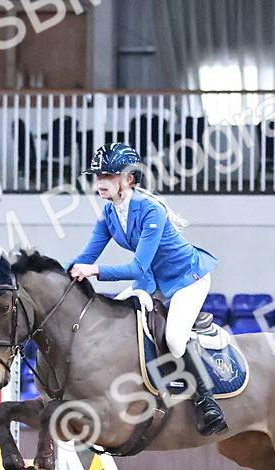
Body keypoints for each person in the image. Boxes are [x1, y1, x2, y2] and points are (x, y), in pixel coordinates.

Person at [67, 143, 226, 436]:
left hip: (186, 280)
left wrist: (95, 272)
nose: (99, 182)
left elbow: (137, 267)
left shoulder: (151, 210)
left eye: (108, 176)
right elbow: (85, 258)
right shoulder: (109, 215)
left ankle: (207, 402)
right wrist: (53, 274)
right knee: (113, 320)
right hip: (152, 283)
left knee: (176, 339)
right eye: (97, 176)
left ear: (128, 179)